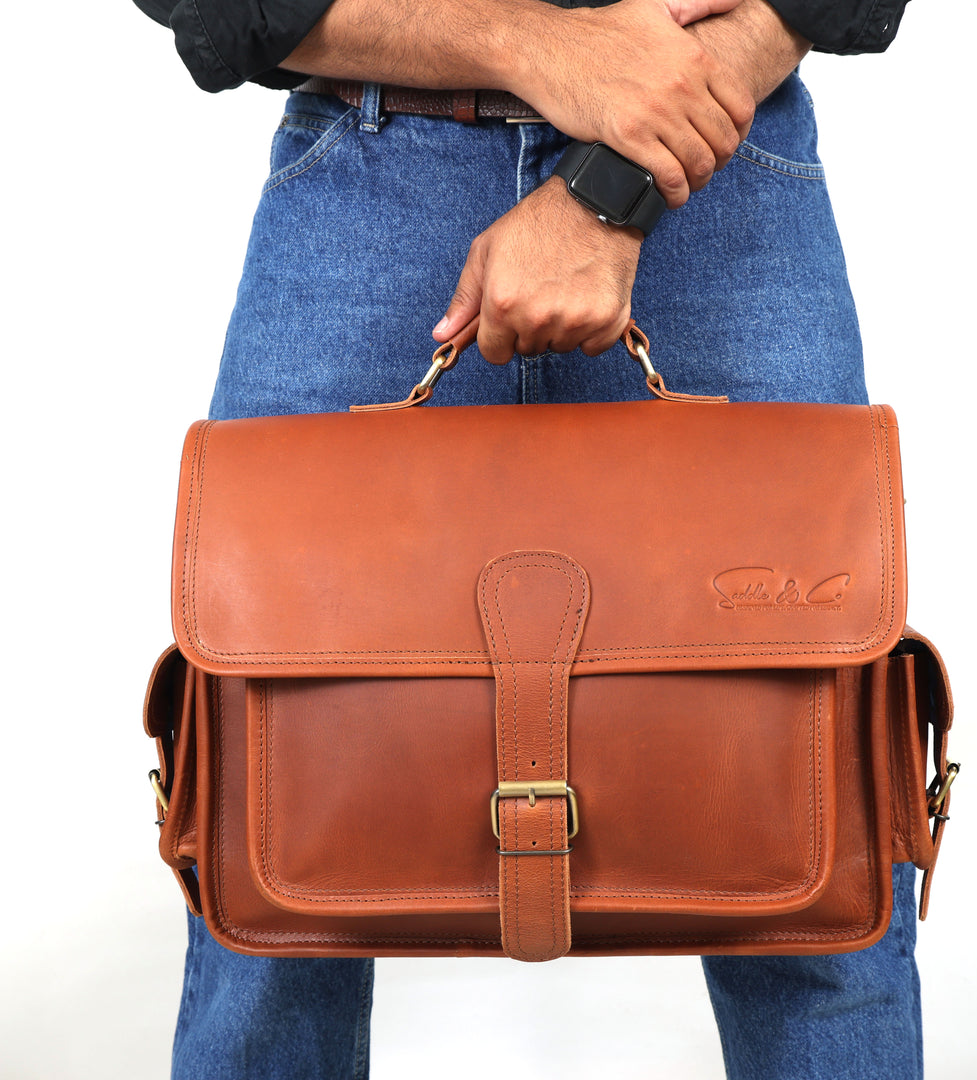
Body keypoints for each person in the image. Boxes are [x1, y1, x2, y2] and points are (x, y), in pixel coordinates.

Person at [135, 0, 923, 1076]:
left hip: (711, 150)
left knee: (822, 855)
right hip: (372, 179)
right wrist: (534, 45)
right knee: (263, 874)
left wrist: (613, 186)